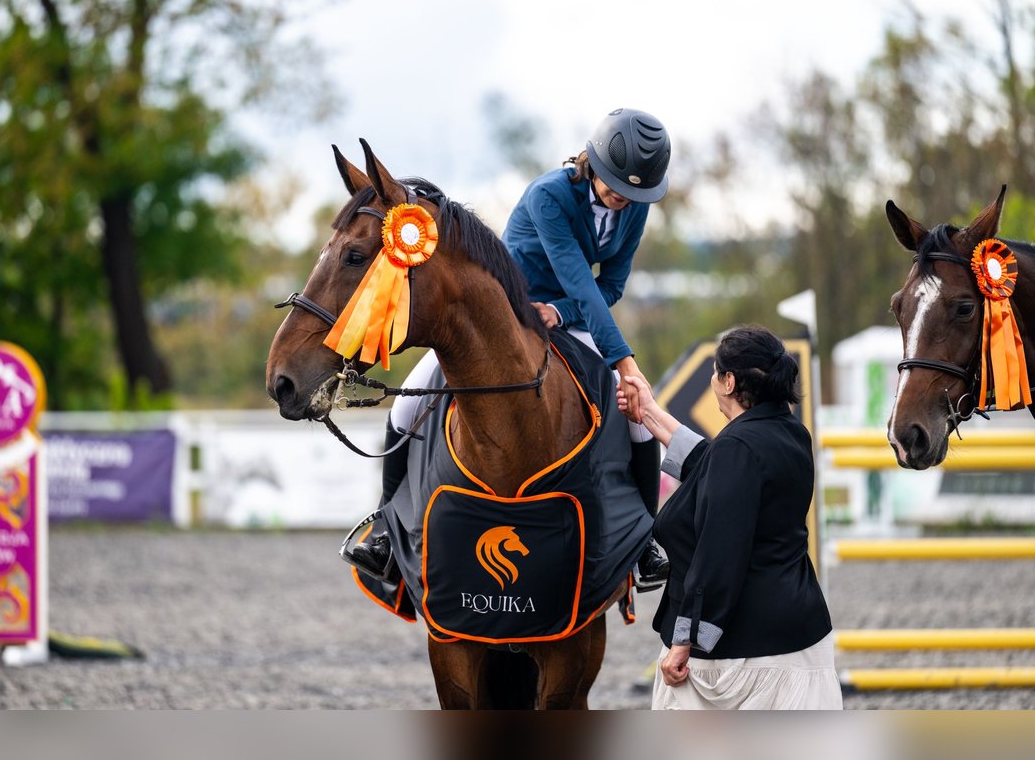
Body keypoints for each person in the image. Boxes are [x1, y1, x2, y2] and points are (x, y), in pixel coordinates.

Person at [344, 107, 673, 591]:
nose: (621, 197)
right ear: (593, 162)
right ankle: (385, 535)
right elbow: (582, 280)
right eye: (614, 184)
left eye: (633, 192)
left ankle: (646, 541)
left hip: (568, 317)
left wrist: (560, 313)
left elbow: (611, 286)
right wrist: (625, 361)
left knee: (636, 416)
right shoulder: (550, 196)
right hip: (503, 313)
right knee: (406, 405)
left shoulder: (635, 207)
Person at [618, 324, 840, 710]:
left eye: (715, 372)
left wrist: (685, 641)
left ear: (729, 381)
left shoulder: (737, 449)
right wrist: (649, 413)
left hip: (744, 658)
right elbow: (714, 467)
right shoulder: (790, 433)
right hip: (802, 642)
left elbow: (718, 553)